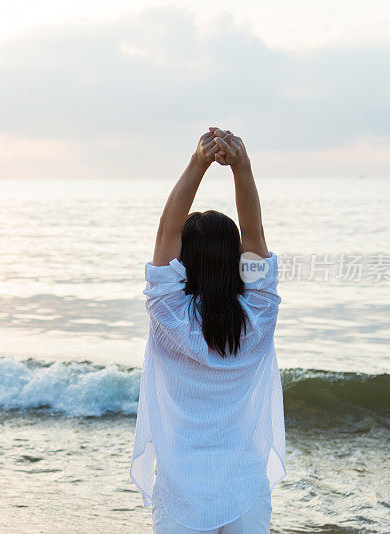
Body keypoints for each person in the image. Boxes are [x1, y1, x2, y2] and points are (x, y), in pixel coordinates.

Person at [129, 128, 286, 533]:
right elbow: (254, 235)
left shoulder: (169, 316)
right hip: (244, 487)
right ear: (236, 258)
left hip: (181, 489)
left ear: (185, 260)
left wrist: (199, 162)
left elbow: (166, 230)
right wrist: (242, 166)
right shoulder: (258, 314)